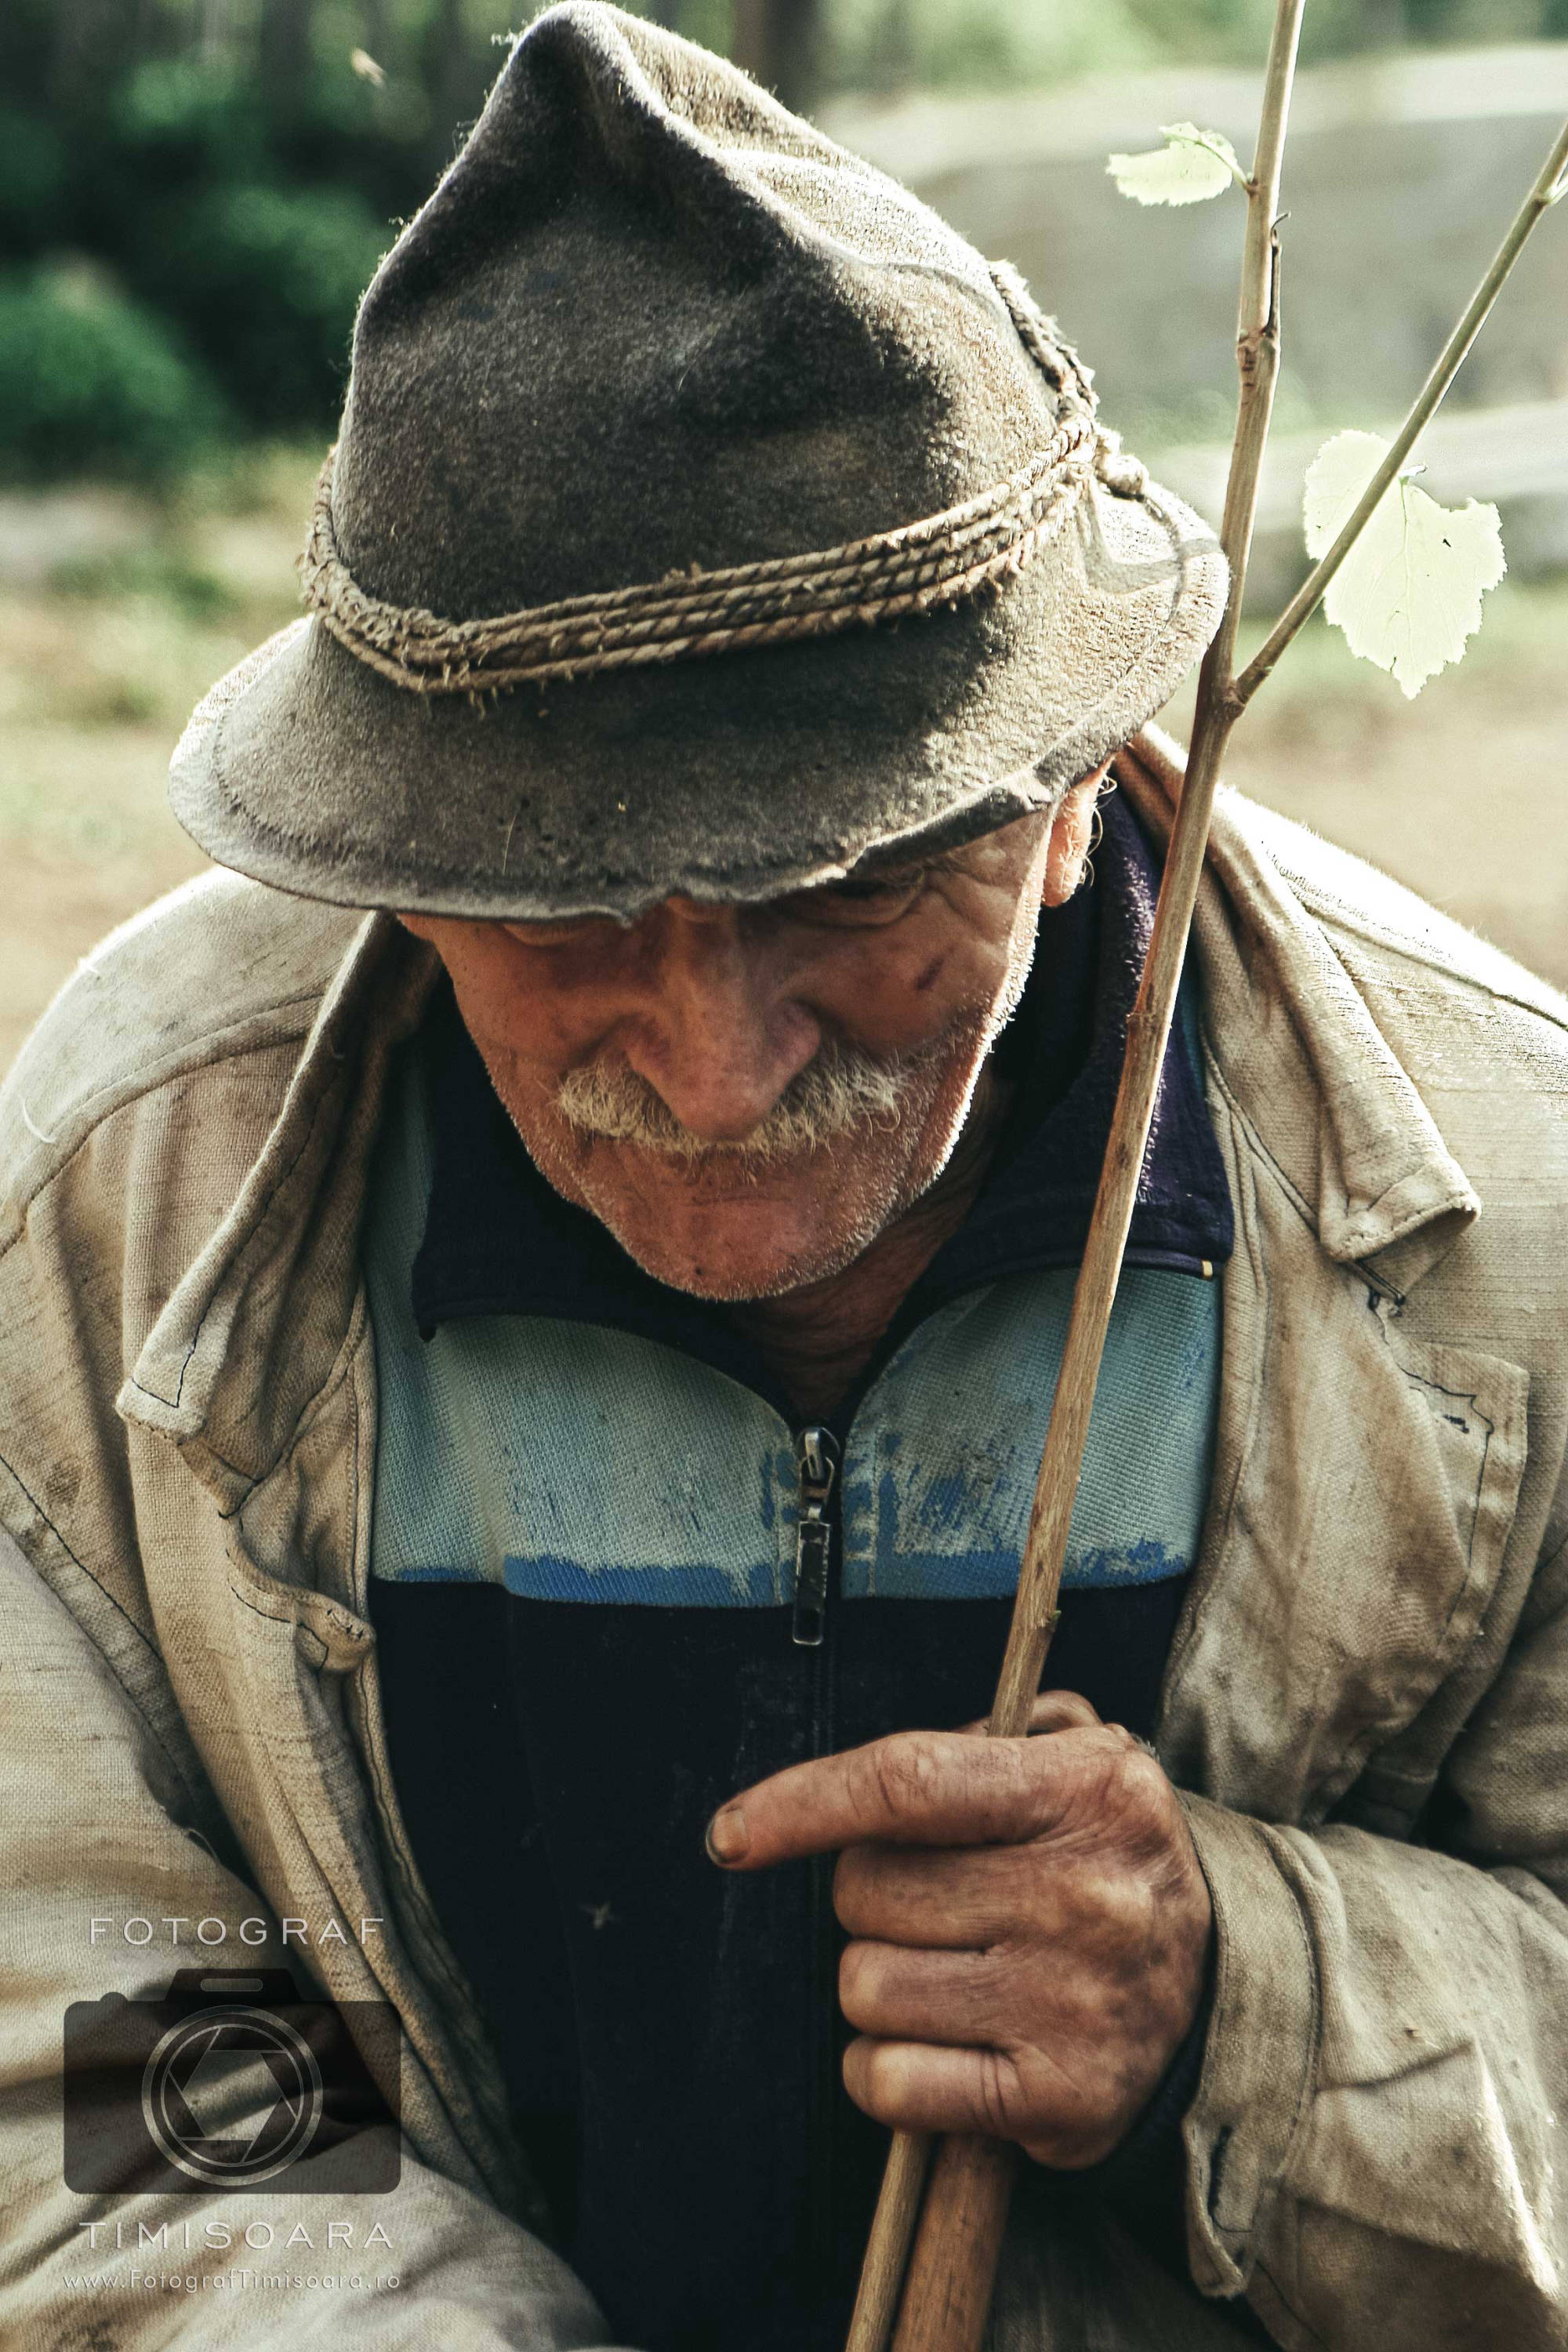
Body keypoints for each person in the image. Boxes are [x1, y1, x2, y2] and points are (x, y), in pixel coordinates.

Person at [3, 7, 1566, 2347]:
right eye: (566, 919)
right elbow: (95, 2035)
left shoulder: (1509, 1216)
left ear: (1071, 801)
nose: (719, 1076)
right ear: (390, 871)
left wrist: (1247, 2008)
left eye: (846, 889)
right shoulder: (132, 1193)